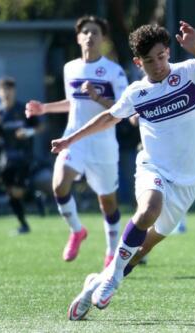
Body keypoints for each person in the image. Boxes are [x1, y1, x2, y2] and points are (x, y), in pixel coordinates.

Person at [52, 21, 195, 320]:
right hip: (152, 168)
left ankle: (95, 284)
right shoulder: (137, 93)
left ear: (168, 52)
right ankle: (113, 280)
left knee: (138, 253)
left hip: (187, 184)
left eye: (162, 56)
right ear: (138, 63)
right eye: (149, 61)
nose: (157, 65)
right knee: (149, 208)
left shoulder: (192, 72)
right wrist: (69, 139)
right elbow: (107, 119)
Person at [25, 16, 129, 266]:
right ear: (78, 38)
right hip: (75, 139)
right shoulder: (70, 68)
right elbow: (73, 102)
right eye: (86, 32)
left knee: (108, 203)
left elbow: (123, 108)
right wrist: (45, 109)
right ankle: (77, 231)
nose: (90, 36)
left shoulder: (114, 71)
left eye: (95, 32)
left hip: (103, 144)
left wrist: (97, 97)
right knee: (60, 185)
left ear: (103, 39)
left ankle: (111, 253)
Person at [0, 77, 43, 234]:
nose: (6, 93)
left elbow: (41, 126)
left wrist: (29, 132)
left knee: (17, 191)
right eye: (3, 90)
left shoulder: (23, 110)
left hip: (24, 157)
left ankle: (34, 196)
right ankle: (24, 223)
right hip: (6, 159)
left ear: (14, 91)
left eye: (9, 90)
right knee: (10, 193)